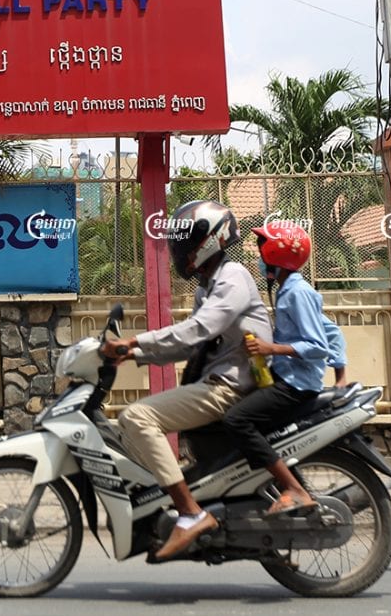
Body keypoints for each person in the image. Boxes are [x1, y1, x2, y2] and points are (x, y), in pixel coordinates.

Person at [102, 200, 272, 561]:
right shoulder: (206, 287)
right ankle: (171, 499)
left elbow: (199, 328)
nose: (181, 250)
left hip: (229, 387)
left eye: (187, 241)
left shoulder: (233, 277)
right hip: (218, 383)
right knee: (131, 425)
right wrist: (134, 354)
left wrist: (135, 341)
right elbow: (190, 345)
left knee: (136, 417)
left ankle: (190, 512)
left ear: (212, 239)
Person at [222, 220, 348, 515]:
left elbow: (317, 345)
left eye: (261, 251)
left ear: (275, 255)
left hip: (296, 384)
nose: (258, 258)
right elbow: (331, 331)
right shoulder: (288, 290)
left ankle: (294, 489)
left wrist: (271, 349)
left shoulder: (297, 293)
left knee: (236, 420)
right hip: (288, 378)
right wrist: (341, 374)